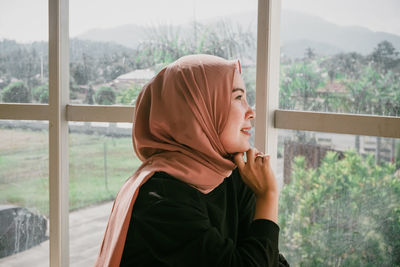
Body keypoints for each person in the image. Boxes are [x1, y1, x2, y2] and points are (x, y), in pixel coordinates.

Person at [95, 54, 289, 267]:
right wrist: (268, 196)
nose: (251, 112)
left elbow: (269, 259)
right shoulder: (160, 199)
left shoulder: (233, 176)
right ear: (198, 110)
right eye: (237, 98)